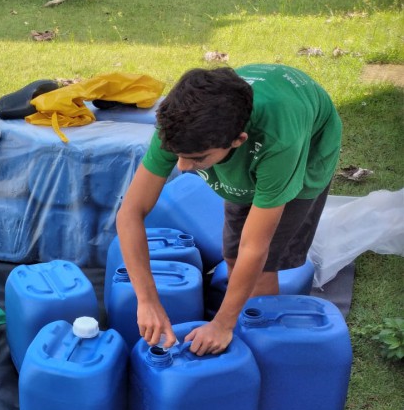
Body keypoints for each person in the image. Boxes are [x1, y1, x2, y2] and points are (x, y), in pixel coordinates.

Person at [116, 64, 342, 356]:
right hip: (242, 145)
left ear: (238, 140)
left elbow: (256, 246)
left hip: (307, 149)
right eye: (178, 156)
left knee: (262, 266)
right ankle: (241, 325)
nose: (182, 167)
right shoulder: (180, 125)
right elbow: (130, 213)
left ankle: (264, 349)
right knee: (233, 256)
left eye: (196, 158)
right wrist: (146, 300)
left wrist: (223, 323)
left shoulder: (279, 143)